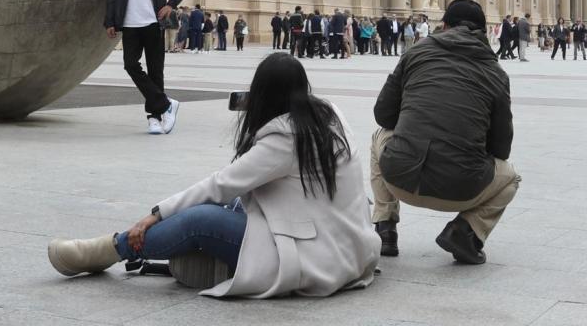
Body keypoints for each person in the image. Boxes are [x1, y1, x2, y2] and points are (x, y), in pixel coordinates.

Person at [47, 53, 380, 296]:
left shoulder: (283, 139)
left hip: (313, 256)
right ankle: (212, 261)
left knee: (200, 219)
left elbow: (220, 184)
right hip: (344, 244)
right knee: (230, 205)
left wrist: (154, 215)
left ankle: (111, 249)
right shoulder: (327, 115)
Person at [370, 0, 519, 264]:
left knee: (379, 136)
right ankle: (465, 231)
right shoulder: (496, 73)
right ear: (483, 32)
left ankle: (385, 227)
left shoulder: (416, 53)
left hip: (399, 178)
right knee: (510, 178)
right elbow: (501, 149)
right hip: (462, 190)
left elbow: (383, 115)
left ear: (444, 25)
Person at [104, 0, 190, 135]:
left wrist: (171, 4)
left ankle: (154, 118)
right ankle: (166, 104)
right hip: (130, 22)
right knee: (130, 65)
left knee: (155, 71)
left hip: (154, 22)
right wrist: (110, 20)